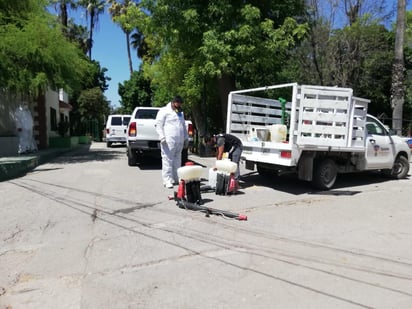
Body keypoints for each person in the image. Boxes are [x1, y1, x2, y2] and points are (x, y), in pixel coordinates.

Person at [156, 95, 189, 188]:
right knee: (167, 159)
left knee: (178, 160)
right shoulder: (164, 111)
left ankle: (176, 178)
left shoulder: (180, 113)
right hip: (168, 140)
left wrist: (186, 138)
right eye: (177, 103)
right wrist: (162, 137)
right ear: (173, 102)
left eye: (180, 104)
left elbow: (183, 125)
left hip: (179, 140)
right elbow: (158, 125)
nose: (179, 105)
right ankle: (167, 180)